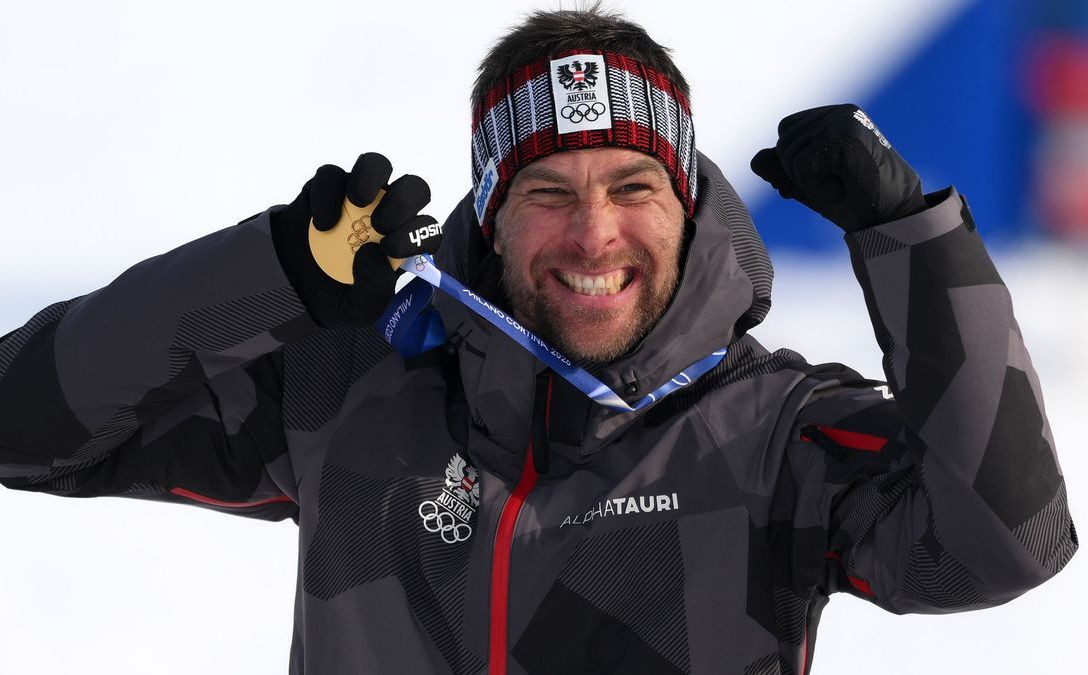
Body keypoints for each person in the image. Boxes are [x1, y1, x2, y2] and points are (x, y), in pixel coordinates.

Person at [0, 6, 1077, 674]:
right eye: (548, 192)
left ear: (687, 205)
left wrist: (913, 245)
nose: (594, 234)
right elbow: (22, 424)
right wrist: (264, 278)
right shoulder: (349, 390)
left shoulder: (775, 436)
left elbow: (1004, 542)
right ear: (490, 216)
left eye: (633, 186)